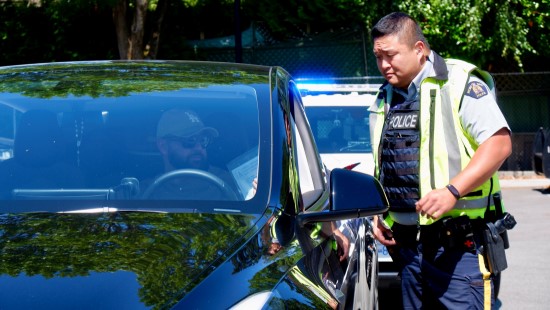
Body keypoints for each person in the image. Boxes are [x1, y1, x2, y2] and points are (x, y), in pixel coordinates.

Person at [368, 12, 512, 309]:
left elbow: (499, 144)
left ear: (419, 49)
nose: (383, 64)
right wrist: (380, 212)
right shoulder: (385, 97)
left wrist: (452, 191)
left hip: (459, 252)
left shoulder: (458, 82)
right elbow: (390, 162)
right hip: (408, 250)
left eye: (390, 55)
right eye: (378, 56)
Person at [145, 108, 238, 199]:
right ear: (163, 146)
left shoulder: (230, 185)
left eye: (203, 140)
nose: (199, 148)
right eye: (190, 140)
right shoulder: (145, 194)